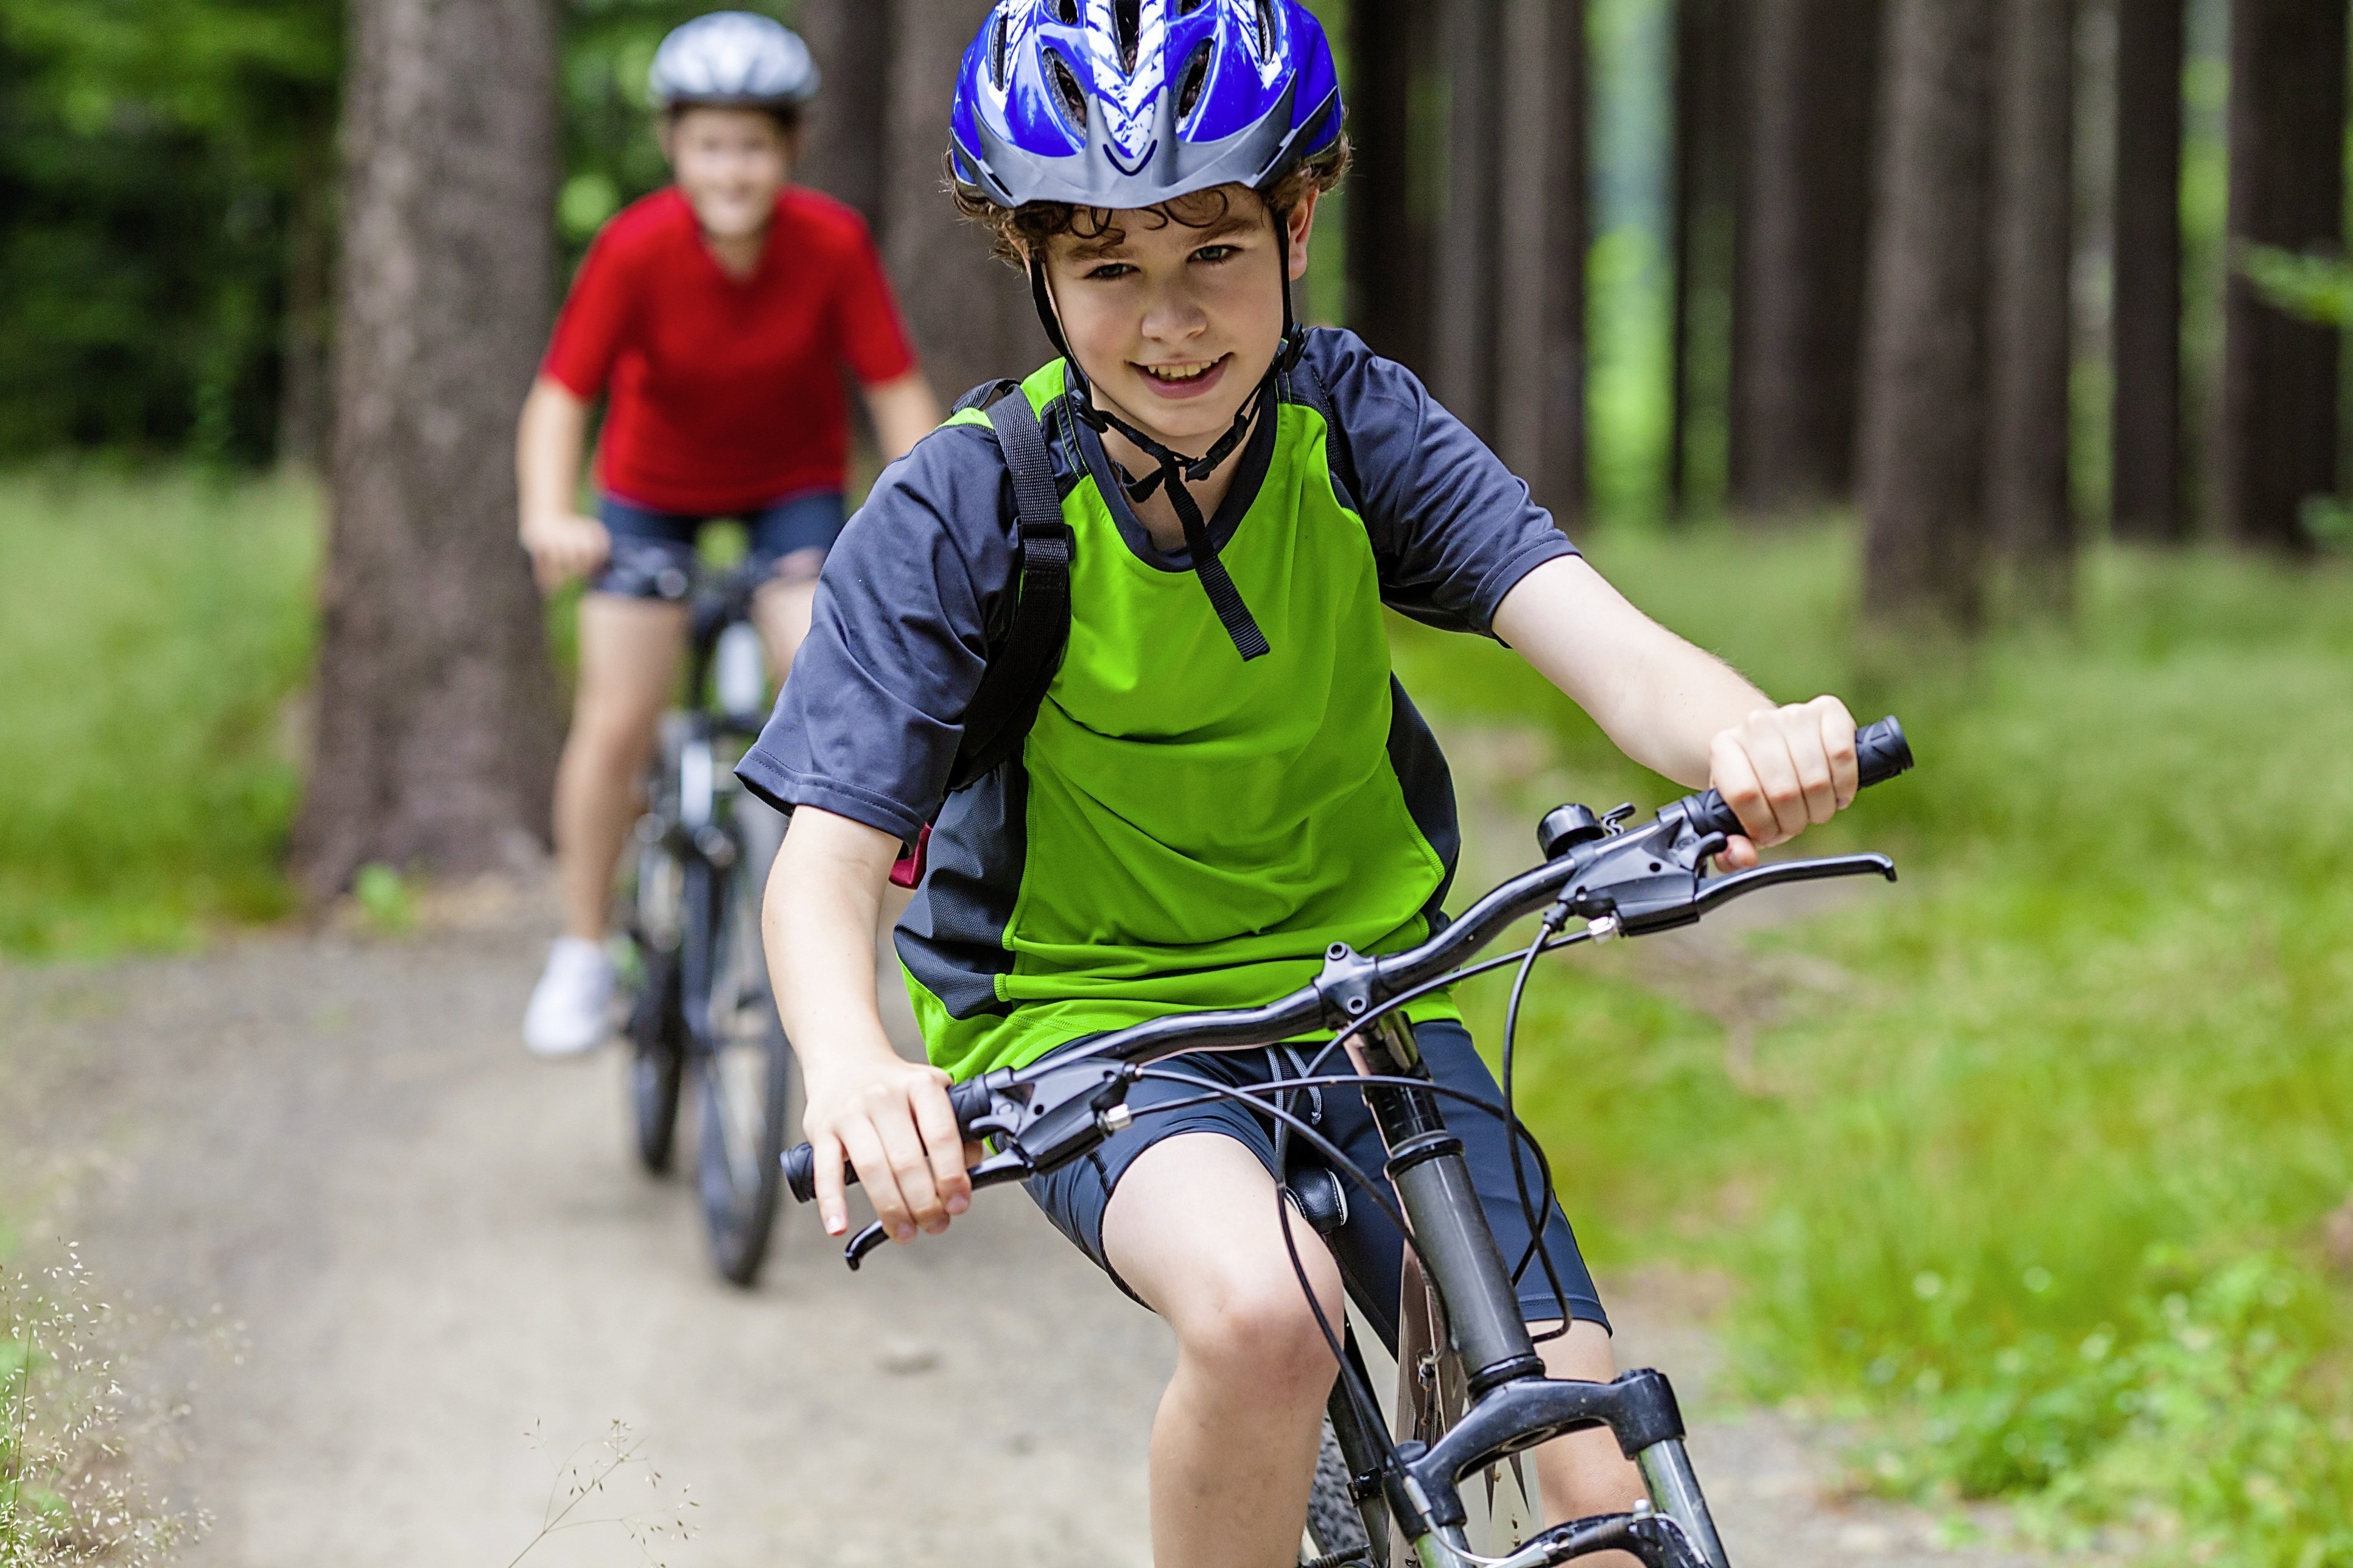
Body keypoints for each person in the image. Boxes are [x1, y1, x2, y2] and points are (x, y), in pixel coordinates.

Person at [743, 2, 1864, 1563]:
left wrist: (1749, 736)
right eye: (1107, 267)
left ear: (1298, 219)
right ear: (1034, 268)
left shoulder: (1354, 423)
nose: (1170, 321)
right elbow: (823, 864)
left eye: (1212, 251)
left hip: (1376, 992)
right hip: (1091, 1027)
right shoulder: (970, 503)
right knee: (1266, 1318)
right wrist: (855, 1064)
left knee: (1596, 1477)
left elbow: (1605, 645)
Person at [517, 12, 940, 1058]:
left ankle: (838, 934)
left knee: (827, 678)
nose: (732, 168)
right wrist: (550, 514)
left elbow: (896, 394)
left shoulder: (831, 243)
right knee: (617, 717)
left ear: (788, 149)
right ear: (674, 146)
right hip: (648, 498)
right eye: (709, 144)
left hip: (789, 495)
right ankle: (580, 949)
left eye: (752, 145)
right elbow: (560, 399)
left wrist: (930, 517)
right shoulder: (633, 249)